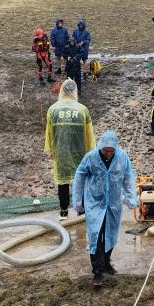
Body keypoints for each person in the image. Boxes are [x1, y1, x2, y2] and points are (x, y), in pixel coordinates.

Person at [72, 130, 139, 287]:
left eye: (111, 151)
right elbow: (79, 177)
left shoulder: (122, 157)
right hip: (95, 202)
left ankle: (106, 263)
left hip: (114, 203)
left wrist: (131, 198)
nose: (109, 153)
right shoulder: (90, 158)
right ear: (100, 147)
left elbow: (128, 177)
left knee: (111, 234)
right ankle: (97, 273)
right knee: (96, 236)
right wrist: (77, 201)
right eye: (106, 150)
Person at [45, 78, 96, 219]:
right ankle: (81, 210)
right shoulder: (82, 109)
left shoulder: (53, 109)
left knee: (63, 182)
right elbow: (89, 134)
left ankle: (63, 211)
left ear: (62, 90)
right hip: (80, 152)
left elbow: (50, 133)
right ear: (75, 91)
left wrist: (51, 149)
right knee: (81, 181)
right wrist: (91, 151)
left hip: (61, 152)